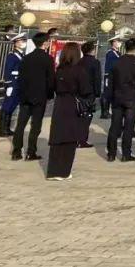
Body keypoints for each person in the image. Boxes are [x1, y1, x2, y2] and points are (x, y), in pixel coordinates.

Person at [45, 42, 92, 180]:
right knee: (70, 138)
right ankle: (64, 171)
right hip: (72, 104)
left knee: (57, 137)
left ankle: (52, 171)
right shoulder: (79, 71)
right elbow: (85, 90)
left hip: (59, 104)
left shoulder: (59, 70)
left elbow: (51, 87)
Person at [11, 32, 55, 162]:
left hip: (25, 96)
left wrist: (21, 93)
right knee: (36, 125)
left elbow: (21, 78)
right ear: (45, 43)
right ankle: (31, 152)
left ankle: (16, 151)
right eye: (48, 41)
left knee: (21, 124)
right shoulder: (47, 59)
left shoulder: (26, 58)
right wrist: (50, 94)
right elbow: (50, 79)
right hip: (40, 96)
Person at [107, 37, 135, 162]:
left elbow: (111, 82)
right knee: (129, 127)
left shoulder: (117, 62)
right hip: (132, 98)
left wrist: (110, 98)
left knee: (115, 126)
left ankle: (111, 153)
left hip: (117, 97)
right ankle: (126, 153)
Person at [0, 32, 27, 137]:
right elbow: (8, 70)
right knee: (7, 105)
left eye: (24, 41)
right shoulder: (12, 55)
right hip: (13, 84)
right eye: (21, 41)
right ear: (16, 43)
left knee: (12, 106)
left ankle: (7, 128)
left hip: (18, 84)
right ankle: (2, 130)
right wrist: (8, 84)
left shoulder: (21, 55)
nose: (24, 42)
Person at [78, 39, 102, 148]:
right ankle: (82, 140)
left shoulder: (79, 62)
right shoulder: (95, 62)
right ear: (92, 50)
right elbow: (97, 79)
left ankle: (77, 138)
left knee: (79, 115)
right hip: (90, 92)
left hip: (79, 92)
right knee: (87, 115)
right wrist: (97, 94)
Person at [100, 36, 122, 119]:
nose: (119, 43)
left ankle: (107, 111)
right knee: (106, 93)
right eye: (117, 41)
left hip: (114, 76)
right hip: (109, 75)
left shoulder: (117, 53)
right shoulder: (110, 53)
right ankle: (104, 112)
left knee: (110, 93)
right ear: (113, 42)